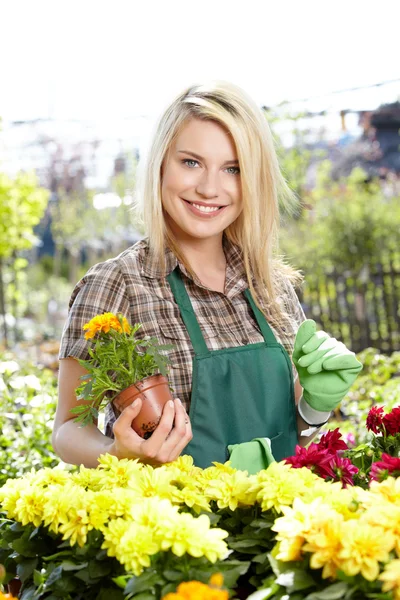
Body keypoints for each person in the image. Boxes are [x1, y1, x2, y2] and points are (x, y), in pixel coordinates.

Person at [53, 81, 362, 470]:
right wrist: (117, 455)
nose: (209, 188)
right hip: (173, 523)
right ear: (160, 165)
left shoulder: (270, 286)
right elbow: (66, 429)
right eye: (191, 162)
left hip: (278, 522)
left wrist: (315, 407)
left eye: (232, 168)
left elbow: (292, 436)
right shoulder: (117, 286)